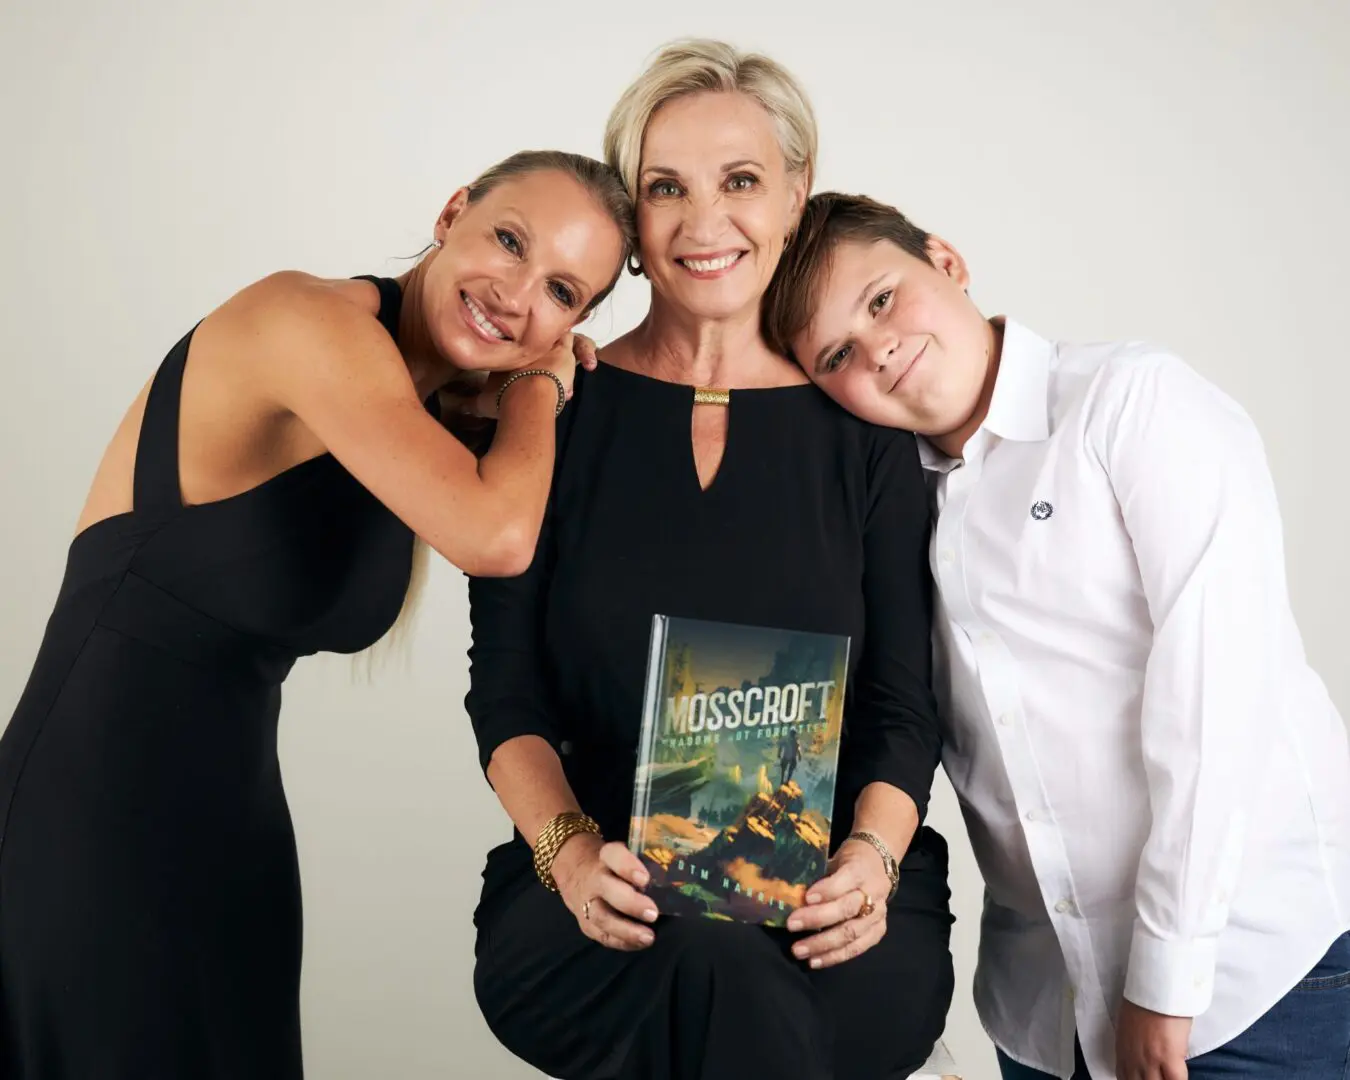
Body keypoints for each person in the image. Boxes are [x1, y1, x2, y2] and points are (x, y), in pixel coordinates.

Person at [0, 149, 632, 1079]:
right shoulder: (306, 321)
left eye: (562, 291)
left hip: (233, 828)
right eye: (508, 240)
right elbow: (494, 538)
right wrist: (537, 382)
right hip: (91, 813)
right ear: (452, 209)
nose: (516, 294)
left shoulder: (431, 413)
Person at [762, 190, 1350, 1079]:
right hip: (1044, 1013)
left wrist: (1164, 983)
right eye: (837, 353)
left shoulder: (1131, 401)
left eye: (882, 299)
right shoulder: (886, 510)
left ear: (946, 259)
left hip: (1249, 983)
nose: (878, 348)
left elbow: (1218, 701)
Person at [466, 41, 954, 1080]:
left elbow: (905, 707)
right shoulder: (553, 406)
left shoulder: (863, 425)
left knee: (732, 974)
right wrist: (568, 853)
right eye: (664, 190)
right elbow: (506, 695)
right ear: (633, 223)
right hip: (596, 887)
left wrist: (869, 862)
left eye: (739, 181)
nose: (703, 223)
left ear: (794, 194)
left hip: (839, 895)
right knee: (706, 961)